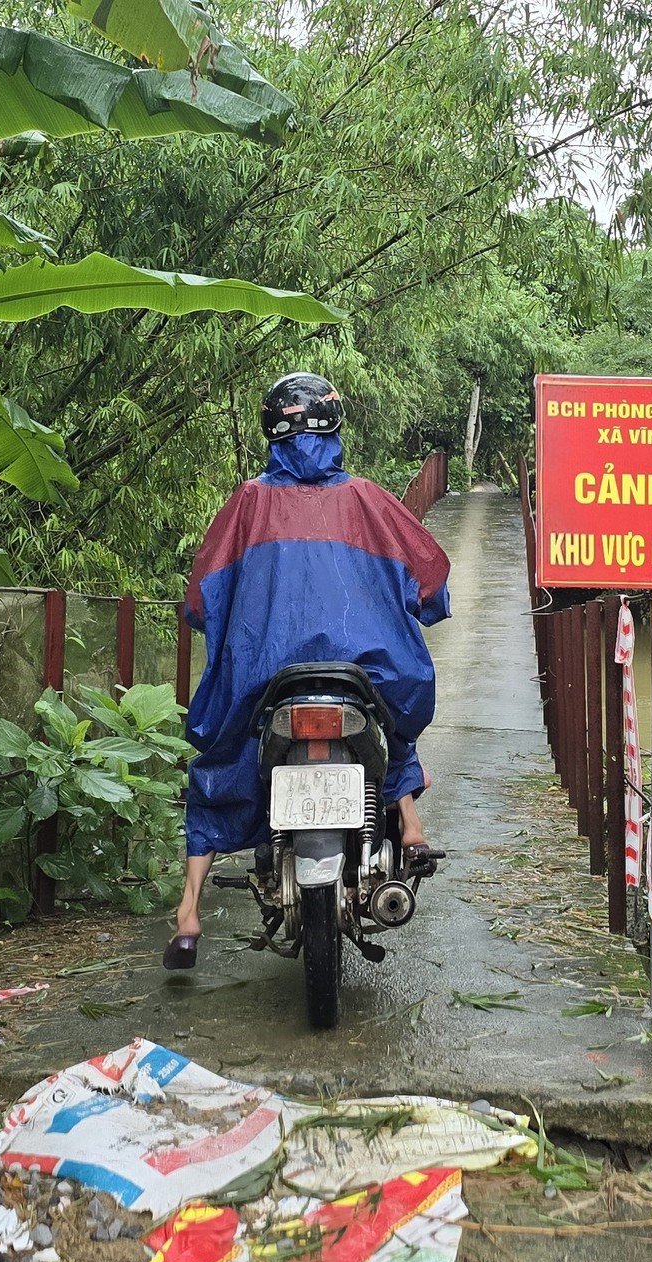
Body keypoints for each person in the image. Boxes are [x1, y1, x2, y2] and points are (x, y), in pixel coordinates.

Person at [163, 373, 451, 969]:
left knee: (220, 766)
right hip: (364, 669)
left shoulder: (248, 503)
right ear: (335, 429)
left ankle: (188, 914)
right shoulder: (368, 499)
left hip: (265, 676)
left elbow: (201, 597)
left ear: (271, 433)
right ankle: (410, 823)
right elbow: (429, 579)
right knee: (394, 724)